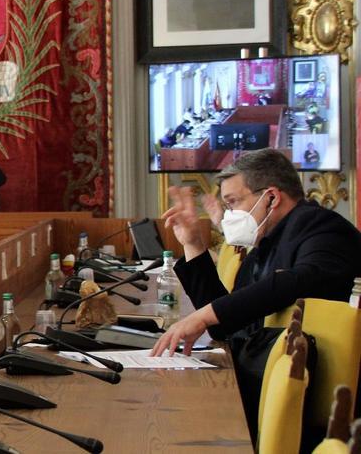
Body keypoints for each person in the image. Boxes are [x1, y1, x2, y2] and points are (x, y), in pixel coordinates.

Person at [151, 148, 361, 434]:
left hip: (303, 403)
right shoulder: (268, 240)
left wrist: (203, 317)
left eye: (234, 202)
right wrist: (193, 244)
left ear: (271, 197)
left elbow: (300, 279)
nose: (229, 215)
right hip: (256, 381)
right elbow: (226, 324)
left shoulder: (322, 228)